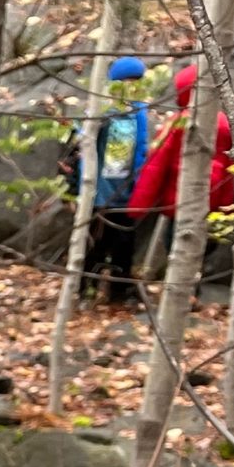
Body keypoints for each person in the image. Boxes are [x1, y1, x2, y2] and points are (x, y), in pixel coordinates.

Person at [129, 60, 234, 278]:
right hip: (211, 200)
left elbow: (155, 166)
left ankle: (179, 286)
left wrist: (137, 207)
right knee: (201, 244)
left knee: (177, 244)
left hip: (180, 199)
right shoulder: (225, 124)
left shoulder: (179, 123)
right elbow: (230, 170)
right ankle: (193, 285)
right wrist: (226, 208)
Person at [78, 54, 154, 304]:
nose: (131, 86)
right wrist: (83, 189)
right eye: (126, 81)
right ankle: (85, 289)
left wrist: (141, 184)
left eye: (136, 81)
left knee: (124, 244)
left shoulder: (139, 111)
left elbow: (142, 148)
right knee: (96, 243)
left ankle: (119, 293)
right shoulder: (101, 109)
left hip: (127, 193)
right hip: (100, 193)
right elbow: (82, 145)